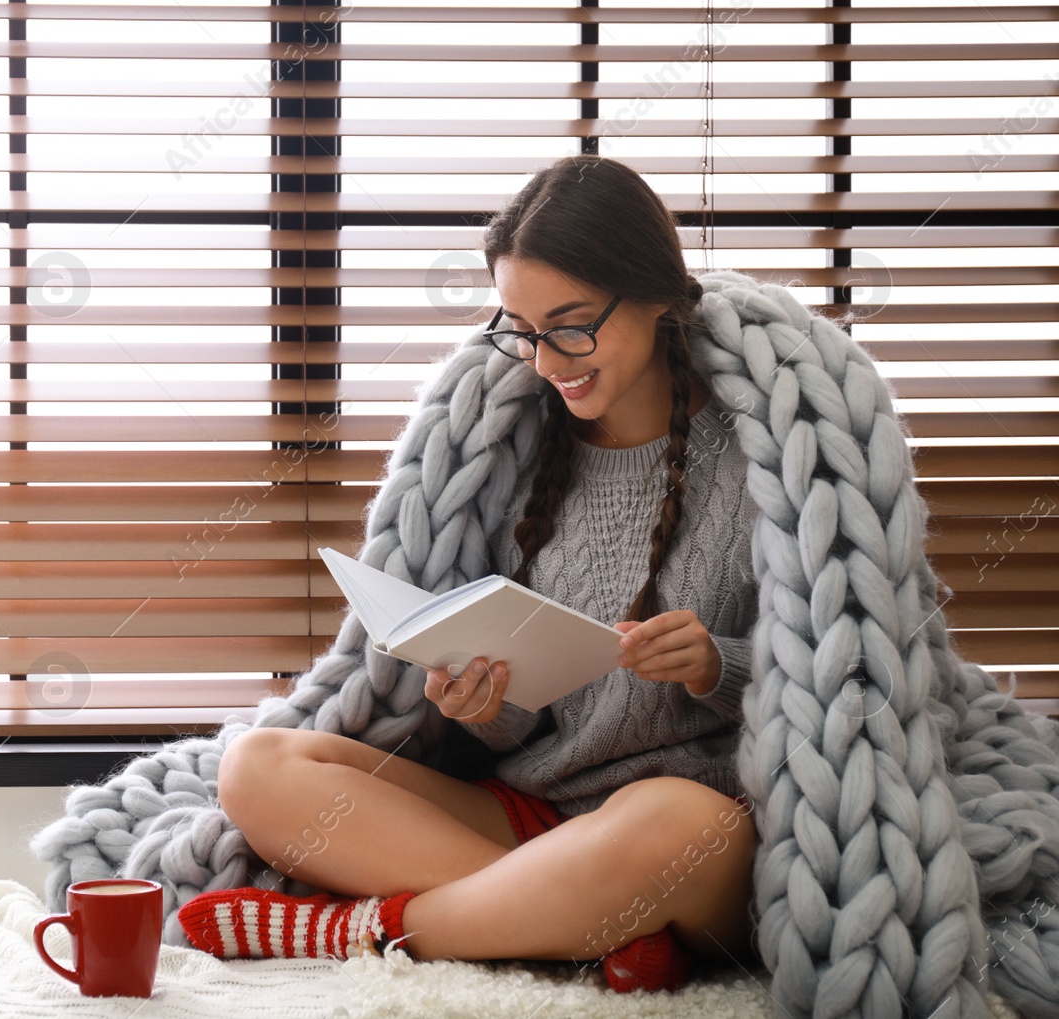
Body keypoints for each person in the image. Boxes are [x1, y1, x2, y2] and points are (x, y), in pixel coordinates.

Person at [176, 154, 762, 995]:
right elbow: (531, 710)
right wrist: (483, 705)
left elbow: (843, 688)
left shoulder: (761, 460)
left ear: (658, 295)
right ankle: (582, 923)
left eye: (569, 324)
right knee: (258, 765)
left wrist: (717, 665)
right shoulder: (520, 453)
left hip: (693, 832)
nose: (544, 359)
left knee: (667, 818)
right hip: (532, 812)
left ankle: (368, 929)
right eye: (519, 329)